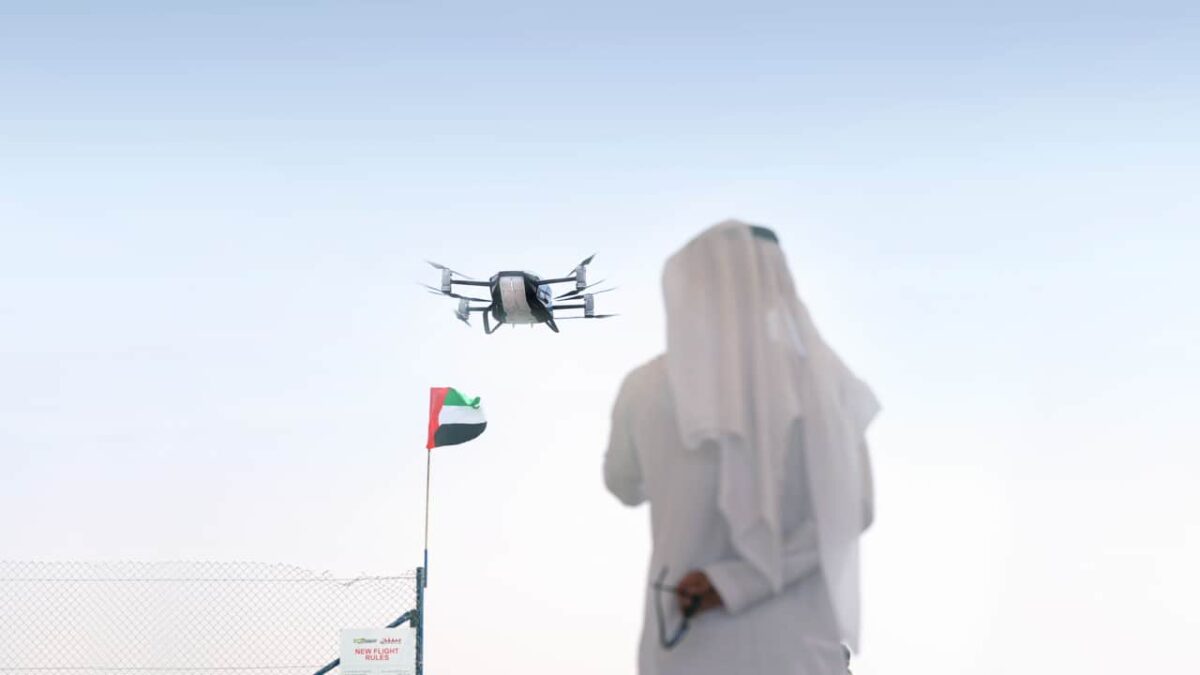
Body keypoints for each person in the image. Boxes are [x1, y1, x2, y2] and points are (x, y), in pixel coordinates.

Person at [604, 220, 880, 675]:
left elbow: (623, 484)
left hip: (687, 643)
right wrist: (740, 581)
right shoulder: (826, 386)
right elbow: (854, 508)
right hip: (799, 652)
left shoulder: (644, 387)